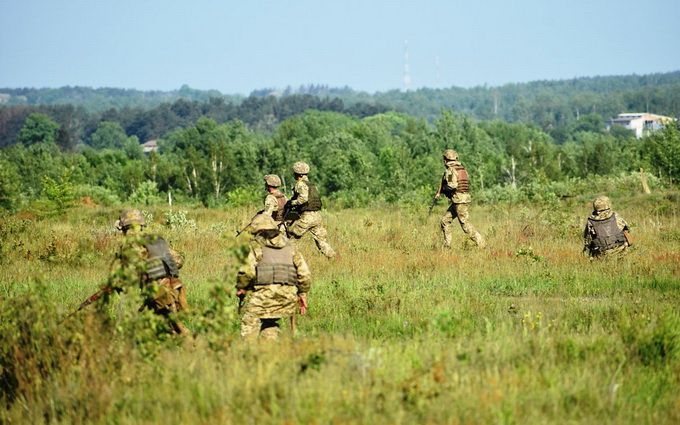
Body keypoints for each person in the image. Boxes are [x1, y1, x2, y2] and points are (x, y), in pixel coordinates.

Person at [102, 209, 189, 334]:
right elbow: (178, 260)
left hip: (158, 293)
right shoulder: (156, 240)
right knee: (163, 328)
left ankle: (194, 345)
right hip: (174, 286)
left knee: (174, 329)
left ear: (124, 228)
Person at [236, 213, 311, 341]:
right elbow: (304, 274)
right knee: (270, 322)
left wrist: (241, 287)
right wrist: (302, 293)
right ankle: (270, 348)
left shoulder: (256, 247)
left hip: (264, 295)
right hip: (287, 297)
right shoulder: (291, 247)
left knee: (249, 320)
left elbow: (246, 272)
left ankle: (248, 354)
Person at [434, 149, 486, 249]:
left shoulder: (450, 170)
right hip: (460, 200)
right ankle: (447, 246)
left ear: (445, 159)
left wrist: (443, 190)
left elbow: (452, 185)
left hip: (459, 201)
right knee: (445, 221)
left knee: (465, 225)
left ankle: (482, 244)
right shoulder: (462, 169)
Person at [285, 161, 336, 258]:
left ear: (297, 174)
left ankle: (291, 260)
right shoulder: (312, 185)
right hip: (317, 216)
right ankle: (333, 257)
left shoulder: (300, 184)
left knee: (292, 237)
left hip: (307, 216)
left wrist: (292, 203)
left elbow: (303, 198)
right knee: (321, 241)